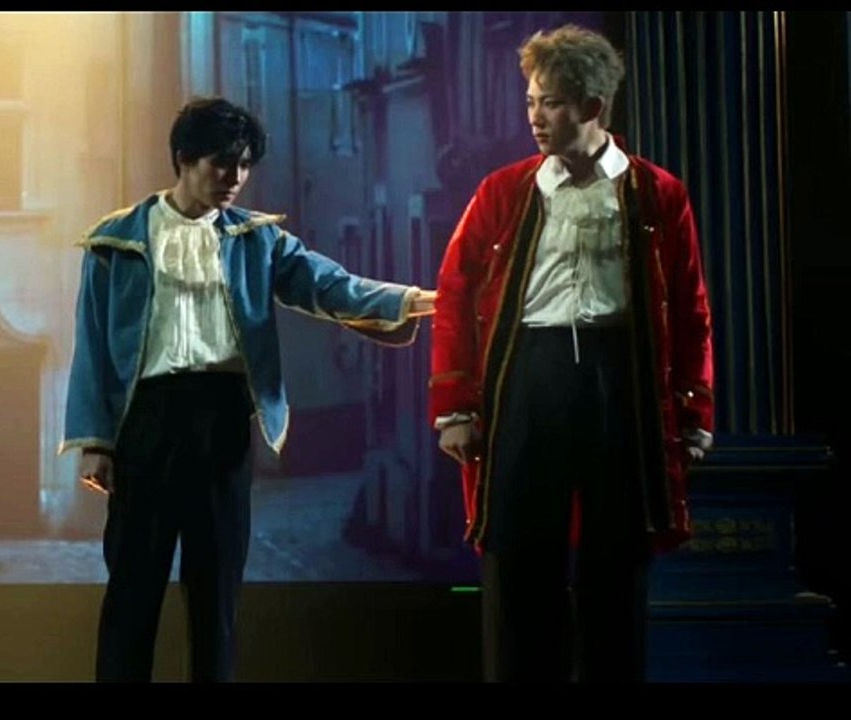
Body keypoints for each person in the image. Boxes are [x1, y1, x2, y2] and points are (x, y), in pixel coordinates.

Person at [60, 96, 436, 682]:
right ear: (184, 158)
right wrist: (95, 441)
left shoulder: (257, 239)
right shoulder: (116, 240)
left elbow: (327, 284)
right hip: (146, 422)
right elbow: (92, 345)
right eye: (222, 163)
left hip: (223, 420)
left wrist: (410, 300)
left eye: (243, 165)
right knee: (133, 588)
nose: (234, 177)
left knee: (217, 594)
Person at [429, 25, 715, 682]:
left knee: (617, 559)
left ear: (592, 106)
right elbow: (455, 295)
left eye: (552, 103)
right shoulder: (503, 190)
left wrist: (693, 412)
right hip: (528, 375)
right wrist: (456, 406)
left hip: (622, 381)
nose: (535, 117)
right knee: (517, 556)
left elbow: (690, 307)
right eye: (531, 101)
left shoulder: (657, 192)